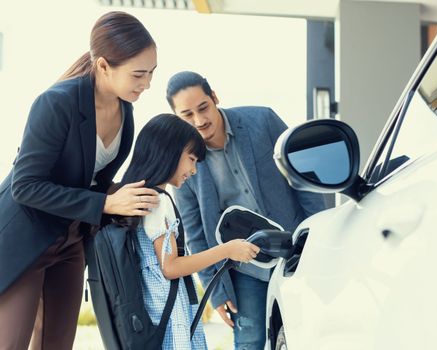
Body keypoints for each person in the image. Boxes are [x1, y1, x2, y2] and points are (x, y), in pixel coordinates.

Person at [0, 11, 159, 350]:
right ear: (104, 66)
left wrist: (130, 195)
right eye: (139, 74)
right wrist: (105, 202)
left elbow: (92, 180)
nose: (147, 83)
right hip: (25, 238)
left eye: (151, 73)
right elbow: (25, 186)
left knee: (56, 345)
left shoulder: (125, 112)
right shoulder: (55, 103)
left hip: (71, 240)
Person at [165, 71, 327, 349]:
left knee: (312, 330)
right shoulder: (182, 161)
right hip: (244, 268)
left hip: (296, 249)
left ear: (214, 97)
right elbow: (194, 232)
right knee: (250, 340)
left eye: (203, 108)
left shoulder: (262, 121)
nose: (199, 121)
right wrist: (215, 290)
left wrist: (316, 234)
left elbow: (303, 179)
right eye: (187, 115)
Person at [118, 113, 260, 349]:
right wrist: (227, 249)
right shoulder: (159, 201)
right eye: (192, 159)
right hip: (168, 318)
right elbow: (171, 267)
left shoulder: (133, 198)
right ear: (169, 151)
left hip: (151, 316)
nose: (194, 170)